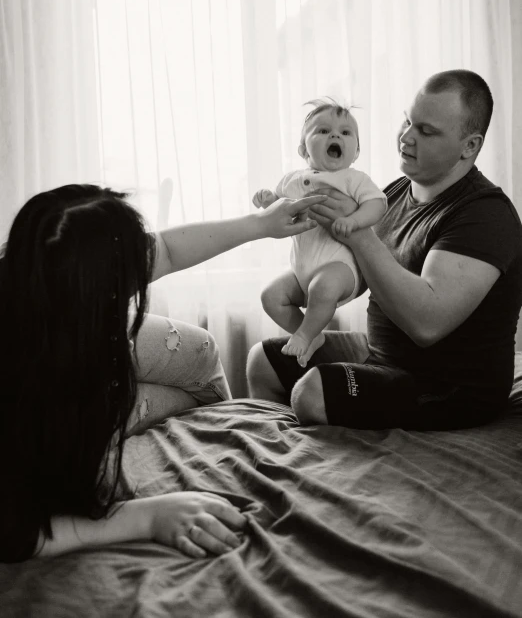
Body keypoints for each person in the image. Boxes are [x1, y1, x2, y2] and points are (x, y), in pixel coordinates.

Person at [0, 183, 326, 563]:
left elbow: (167, 251)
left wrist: (261, 223)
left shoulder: (51, 267)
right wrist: (146, 517)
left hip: (69, 350)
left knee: (200, 352)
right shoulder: (25, 390)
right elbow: (14, 530)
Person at [247, 69, 522, 433]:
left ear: (469, 145)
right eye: (407, 121)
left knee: (312, 393)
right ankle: (279, 450)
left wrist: (357, 233)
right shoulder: (395, 192)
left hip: (447, 388)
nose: (406, 138)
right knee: (261, 361)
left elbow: (428, 322)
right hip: (382, 358)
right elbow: (358, 274)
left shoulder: (485, 215)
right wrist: (311, 281)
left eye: (426, 131)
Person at [252, 100, 387, 366]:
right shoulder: (291, 181)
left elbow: (378, 204)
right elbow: (280, 210)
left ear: (356, 151)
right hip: (301, 270)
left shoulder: (354, 179)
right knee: (271, 296)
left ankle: (305, 334)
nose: (335, 135)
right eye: (323, 131)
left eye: (346, 133)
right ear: (303, 149)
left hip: (341, 270)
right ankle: (311, 334)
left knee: (322, 287)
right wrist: (269, 201)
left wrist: (355, 220)